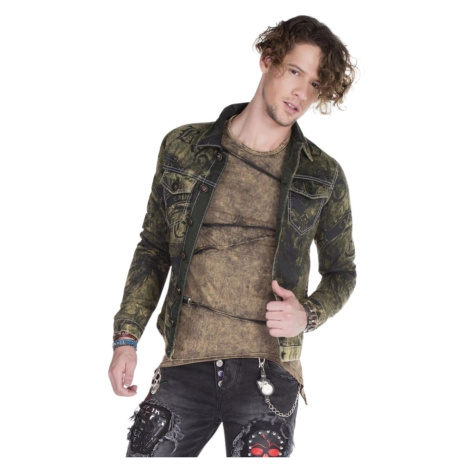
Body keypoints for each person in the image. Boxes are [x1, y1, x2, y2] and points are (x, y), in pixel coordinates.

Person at [108, 14, 357, 457]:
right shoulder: (184, 148)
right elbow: (153, 248)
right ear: (268, 60)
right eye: (295, 72)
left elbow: (343, 272)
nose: (301, 93)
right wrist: (127, 339)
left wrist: (307, 315)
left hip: (269, 373)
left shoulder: (322, 175)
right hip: (184, 364)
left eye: (315, 84)